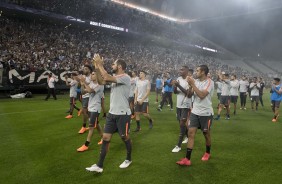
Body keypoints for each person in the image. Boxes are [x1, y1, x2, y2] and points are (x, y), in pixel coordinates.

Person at [86, 54, 132, 173]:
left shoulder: (125, 77)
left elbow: (105, 76)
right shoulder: (114, 78)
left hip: (123, 114)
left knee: (124, 137)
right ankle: (99, 165)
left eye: (114, 64)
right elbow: (101, 81)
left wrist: (100, 64)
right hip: (112, 114)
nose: (112, 65)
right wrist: (96, 67)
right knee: (105, 138)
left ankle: (128, 159)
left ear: (120, 66)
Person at [176, 65, 214, 166]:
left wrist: (193, 84)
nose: (195, 72)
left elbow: (201, 95)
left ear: (203, 72)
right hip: (195, 111)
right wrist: (189, 85)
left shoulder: (210, 82)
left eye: (197, 71)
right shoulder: (196, 81)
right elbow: (189, 95)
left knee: (206, 134)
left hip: (206, 113)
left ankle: (207, 152)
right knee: (191, 133)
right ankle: (187, 159)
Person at [77, 71, 104, 152]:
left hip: (95, 108)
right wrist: (82, 84)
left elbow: (90, 91)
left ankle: (86, 145)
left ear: (97, 76)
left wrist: (84, 82)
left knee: (91, 126)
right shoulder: (91, 84)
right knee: (96, 124)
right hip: (91, 107)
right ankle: (103, 138)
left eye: (93, 74)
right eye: (91, 74)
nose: (91, 76)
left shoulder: (100, 85)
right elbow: (83, 92)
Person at [171, 66, 192, 153]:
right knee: (181, 123)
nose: (180, 71)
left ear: (187, 71)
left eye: (182, 69)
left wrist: (178, 85)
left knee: (182, 123)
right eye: (180, 69)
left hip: (186, 105)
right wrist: (175, 86)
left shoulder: (190, 80)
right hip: (178, 105)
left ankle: (178, 145)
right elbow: (175, 92)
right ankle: (187, 136)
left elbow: (189, 94)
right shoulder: (179, 78)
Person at [78, 65, 92, 134]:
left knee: (84, 111)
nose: (84, 70)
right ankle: (92, 123)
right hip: (84, 96)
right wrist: (81, 83)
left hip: (89, 96)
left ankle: (83, 127)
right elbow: (82, 90)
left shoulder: (92, 76)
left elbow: (91, 87)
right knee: (88, 112)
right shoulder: (83, 77)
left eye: (86, 69)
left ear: (89, 70)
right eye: (84, 69)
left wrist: (84, 82)